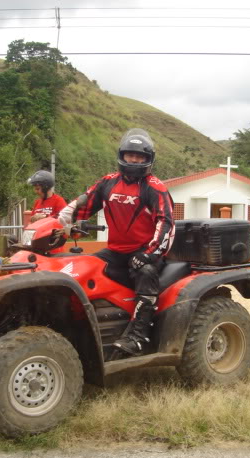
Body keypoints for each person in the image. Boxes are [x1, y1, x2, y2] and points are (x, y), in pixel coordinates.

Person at [58, 128, 175, 356]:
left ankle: (137, 336)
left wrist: (149, 254)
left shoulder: (155, 187)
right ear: (122, 155)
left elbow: (167, 223)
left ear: (148, 159)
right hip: (115, 251)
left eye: (140, 156)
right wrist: (64, 218)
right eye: (131, 155)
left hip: (144, 251)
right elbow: (85, 205)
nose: (135, 159)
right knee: (83, 267)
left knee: (147, 272)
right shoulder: (107, 183)